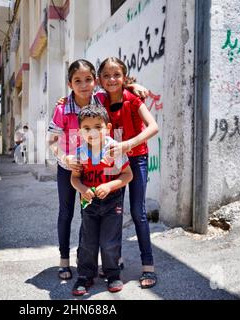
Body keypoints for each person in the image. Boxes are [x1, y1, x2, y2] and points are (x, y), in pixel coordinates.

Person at [47, 59, 149, 281]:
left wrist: (133, 86)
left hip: (98, 167)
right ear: (70, 83)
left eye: (88, 79)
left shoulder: (100, 100)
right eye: (77, 81)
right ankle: (64, 261)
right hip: (70, 166)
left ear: (95, 82)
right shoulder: (62, 107)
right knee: (66, 212)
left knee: (100, 216)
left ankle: (110, 262)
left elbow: (116, 87)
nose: (83, 85)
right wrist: (66, 157)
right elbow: (52, 140)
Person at [98, 57, 159, 289]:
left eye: (117, 75)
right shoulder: (100, 100)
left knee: (137, 211)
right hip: (113, 160)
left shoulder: (133, 99)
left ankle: (148, 266)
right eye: (106, 75)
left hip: (136, 159)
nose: (112, 79)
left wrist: (127, 145)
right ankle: (116, 261)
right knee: (114, 211)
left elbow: (153, 127)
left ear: (124, 77)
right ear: (99, 80)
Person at [70, 104, 133, 296]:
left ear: (108, 128)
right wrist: (83, 188)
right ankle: (85, 275)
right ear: (80, 131)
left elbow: (127, 175)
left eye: (98, 127)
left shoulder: (114, 150)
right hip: (89, 202)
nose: (93, 132)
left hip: (112, 200)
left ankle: (112, 273)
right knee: (88, 240)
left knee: (109, 240)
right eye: (87, 128)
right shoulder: (80, 153)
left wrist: (109, 186)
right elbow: (74, 178)